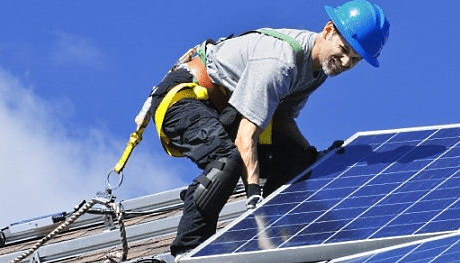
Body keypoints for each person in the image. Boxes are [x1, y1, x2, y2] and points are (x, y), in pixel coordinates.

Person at [133, 0, 390, 259]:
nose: (345, 62)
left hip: (226, 109)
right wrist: (255, 203)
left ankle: (290, 240)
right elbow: (246, 138)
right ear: (328, 30)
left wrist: (311, 155)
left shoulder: (317, 71)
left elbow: (281, 120)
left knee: (297, 162)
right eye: (343, 49)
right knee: (226, 162)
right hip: (186, 97)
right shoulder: (282, 62)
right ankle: (190, 250)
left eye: (355, 60)